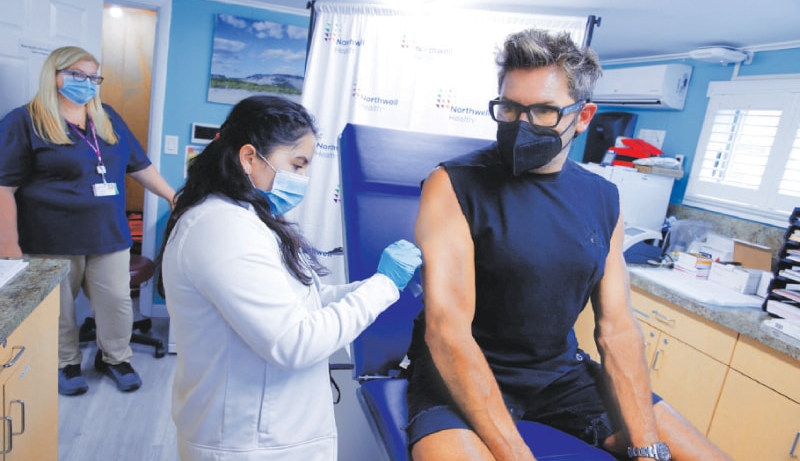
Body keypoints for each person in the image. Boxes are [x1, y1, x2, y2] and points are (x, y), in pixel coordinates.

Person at [404, 29, 732, 461]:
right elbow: (448, 333)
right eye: (509, 108)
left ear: (582, 116)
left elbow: (616, 328)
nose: (521, 125)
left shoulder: (602, 198)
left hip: (559, 377)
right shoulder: (452, 185)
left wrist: (649, 448)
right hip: (457, 375)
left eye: (542, 111)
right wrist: (518, 455)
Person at [158, 95, 422, 461]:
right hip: (247, 443)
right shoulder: (223, 229)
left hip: (268, 433)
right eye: (297, 165)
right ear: (249, 157)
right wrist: (383, 285)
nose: (302, 179)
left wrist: (375, 285)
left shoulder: (246, 220)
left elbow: (301, 303)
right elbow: (295, 341)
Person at [0, 46, 176, 396]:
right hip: (50, 239)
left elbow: (140, 166)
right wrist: (8, 244)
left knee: (117, 304)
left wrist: (173, 196)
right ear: (55, 75)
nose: (87, 83)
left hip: (108, 235)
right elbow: (4, 186)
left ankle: (115, 358)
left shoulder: (106, 117)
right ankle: (66, 363)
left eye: (93, 77)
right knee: (60, 312)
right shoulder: (24, 121)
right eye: (77, 74)